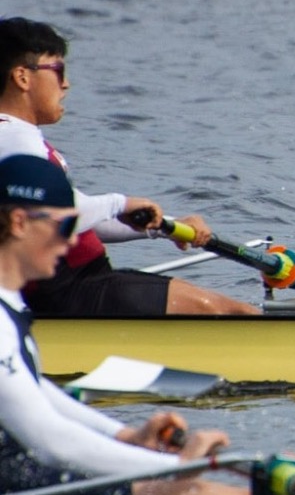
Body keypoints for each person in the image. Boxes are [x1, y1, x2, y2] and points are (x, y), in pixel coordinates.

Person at [0, 155, 295, 495]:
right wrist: (176, 467)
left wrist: (127, 436)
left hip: (20, 478)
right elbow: (50, 440)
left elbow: (35, 392)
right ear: (19, 223)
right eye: (67, 224)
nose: (75, 240)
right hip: (14, 491)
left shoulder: (10, 303)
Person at [0, 18, 256, 316]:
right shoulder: (13, 137)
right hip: (71, 292)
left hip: (83, 285)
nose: (66, 83)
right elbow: (51, 218)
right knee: (234, 313)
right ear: (22, 77)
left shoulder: (17, 135)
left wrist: (167, 228)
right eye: (58, 71)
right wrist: (118, 203)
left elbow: (82, 217)